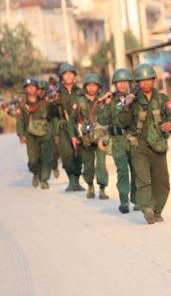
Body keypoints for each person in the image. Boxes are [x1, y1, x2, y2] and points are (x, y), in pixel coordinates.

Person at [119, 63, 171, 225]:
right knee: (143, 179)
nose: (145, 83)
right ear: (137, 83)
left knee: (162, 182)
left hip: (158, 144)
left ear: (154, 81)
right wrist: (126, 106)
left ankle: (157, 210)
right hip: (139, 146)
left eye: (149, 80)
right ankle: (147, 208)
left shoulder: (162, 98)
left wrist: (170, 124)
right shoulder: (131, 101)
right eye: (141, 80)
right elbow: (122, 122)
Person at [99, 68, 138, 213]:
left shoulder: (134, 98)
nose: (122, 85)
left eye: (125, 81)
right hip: (117, 140)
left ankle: (136, 200)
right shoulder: (112, 100)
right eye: (119, 82)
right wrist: (107, 103)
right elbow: (102, 120)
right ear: (115, 83)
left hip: (132, 138)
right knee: (122, 170)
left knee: (135, 169)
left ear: (129, 82)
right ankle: (124, 201)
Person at [69, 73, 109, 199]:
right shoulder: (79, 102)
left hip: (101, 137)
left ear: (98, 87)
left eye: (94, 85)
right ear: (85, 87)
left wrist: (107, 103)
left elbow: (109, 117)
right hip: (85, 137)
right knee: (88, 165)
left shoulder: (103, 100)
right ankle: (90, 185)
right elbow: (72, 120)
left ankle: (102, 189)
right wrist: (72, 135)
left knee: (101, 163)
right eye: (89, 85)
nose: (92, 88)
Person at [16, 78, 55, 189]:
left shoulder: (44, 101)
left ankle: (44, 180)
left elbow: (52, 116)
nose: (31, 89)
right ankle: (35, 173)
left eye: (33, 87)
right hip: (30, 135)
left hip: (45, 133)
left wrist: (50, 103)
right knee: (33, 161)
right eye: (28, 87)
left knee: (46, 158)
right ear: (25, 89)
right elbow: (20, 120)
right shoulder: (22, 104)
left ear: (38, 89)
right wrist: (21, 134)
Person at [53, 63, 85, 192]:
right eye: (65, 74)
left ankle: (77, 181)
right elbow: (51, 113)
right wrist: (52, 102)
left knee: (79, 154)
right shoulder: (57, 93)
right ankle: (71, 180)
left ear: (74, 75)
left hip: (79, 127)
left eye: (71, 73)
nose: (68, 76)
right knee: (67, 154)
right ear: (61, 77)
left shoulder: (80, 91)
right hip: (64, 127)